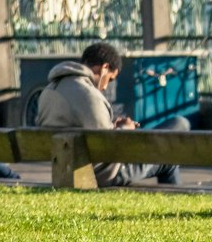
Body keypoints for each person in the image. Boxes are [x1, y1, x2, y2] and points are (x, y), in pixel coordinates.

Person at [34, 41, 183, 187]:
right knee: (169, 157)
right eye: (110, 79)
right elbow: (106, 148)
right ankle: (178, 208)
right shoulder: (89, 95)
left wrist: (113, 127)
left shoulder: (49, 90)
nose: (105, 87)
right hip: (102, 173)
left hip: (65, 169)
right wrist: (125, 129)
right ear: (104, 68)